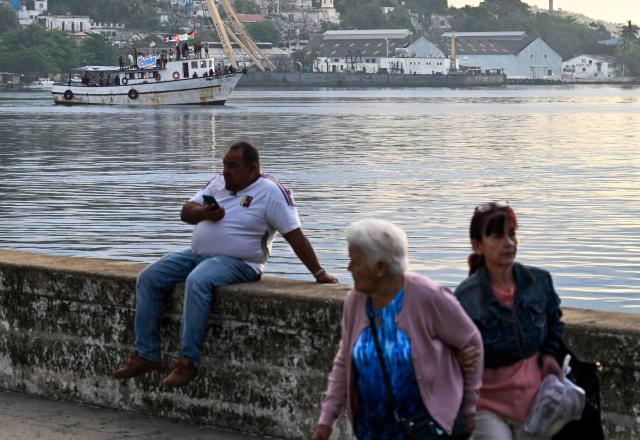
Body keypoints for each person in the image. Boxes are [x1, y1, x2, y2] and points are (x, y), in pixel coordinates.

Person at [113, 141, 338, 387]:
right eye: (224, 165)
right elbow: (185, 211)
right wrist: (203, 214)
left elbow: (295, 235)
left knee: (198, 280)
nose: (225, 171)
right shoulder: (218, 183)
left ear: (252, 169)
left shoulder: (271, 191)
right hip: (198, 254)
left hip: (241, 262)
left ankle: (188, 362)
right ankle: (146, 354)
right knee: (149, 277)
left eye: (233, 166)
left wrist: (319, 272)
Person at [312, 219, 483, 440]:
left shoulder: (428, 296)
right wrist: (326, 421)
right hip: (372, 429)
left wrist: (469, 408)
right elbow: (344, 360)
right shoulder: (356, 301)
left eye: (355, 261)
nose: (349, 268)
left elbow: (472, 343)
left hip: (426, 429)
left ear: (380, 267)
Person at [454, 202, 565, 440]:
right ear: (478, 246)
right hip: (485, 404)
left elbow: (555, 324)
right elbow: (450, 350)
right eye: (497, 236)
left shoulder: (540, 282)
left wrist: (549, 356)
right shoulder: (465, 297)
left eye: (512, 234)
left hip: (535, 400)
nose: (509, 243)